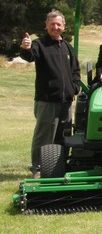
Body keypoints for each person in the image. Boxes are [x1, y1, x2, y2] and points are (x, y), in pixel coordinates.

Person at [20, 10, 81, 179]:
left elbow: (75, 70)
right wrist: (25, 47)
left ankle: (58, 167)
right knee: (44, 136)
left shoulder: (68, 47)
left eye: (58, 24)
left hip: (66, 101)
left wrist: (74, 87)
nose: (55, 27)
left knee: (64, 136)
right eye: (52, 24)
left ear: (64, 26)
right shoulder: (40, 44)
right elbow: (29, 55)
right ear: (46, 26)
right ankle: (38, 168)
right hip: (47, 100)